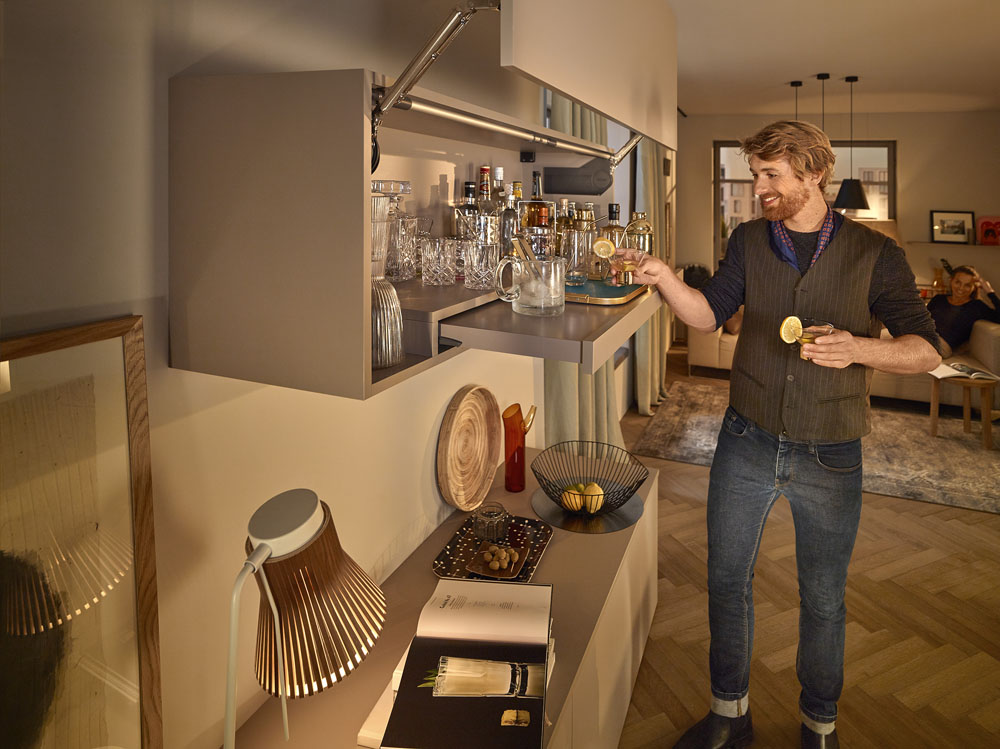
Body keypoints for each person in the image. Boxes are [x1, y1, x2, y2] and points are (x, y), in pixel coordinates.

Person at [614, 120, 940, 749]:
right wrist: (663, 277)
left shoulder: (876, 254)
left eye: (771, 175)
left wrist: (859, 349)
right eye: (754, 174)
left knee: (823, 598)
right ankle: (729, 715)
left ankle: (819, 725)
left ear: (814, 173)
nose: (759, 187)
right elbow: (708, 314)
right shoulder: (747, 240)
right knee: (725, 580)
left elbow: (926, 349)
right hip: (747, 437)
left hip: (832, 450)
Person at [927, 265, 1000, 357]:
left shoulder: (977, 306)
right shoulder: (938, 299)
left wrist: (990, 291)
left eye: (967, 285)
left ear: (974, 288)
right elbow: (920, 320)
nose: (961, 288)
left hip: (941, 346)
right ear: (951, 281)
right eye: (958, 282)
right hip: (924, 336)